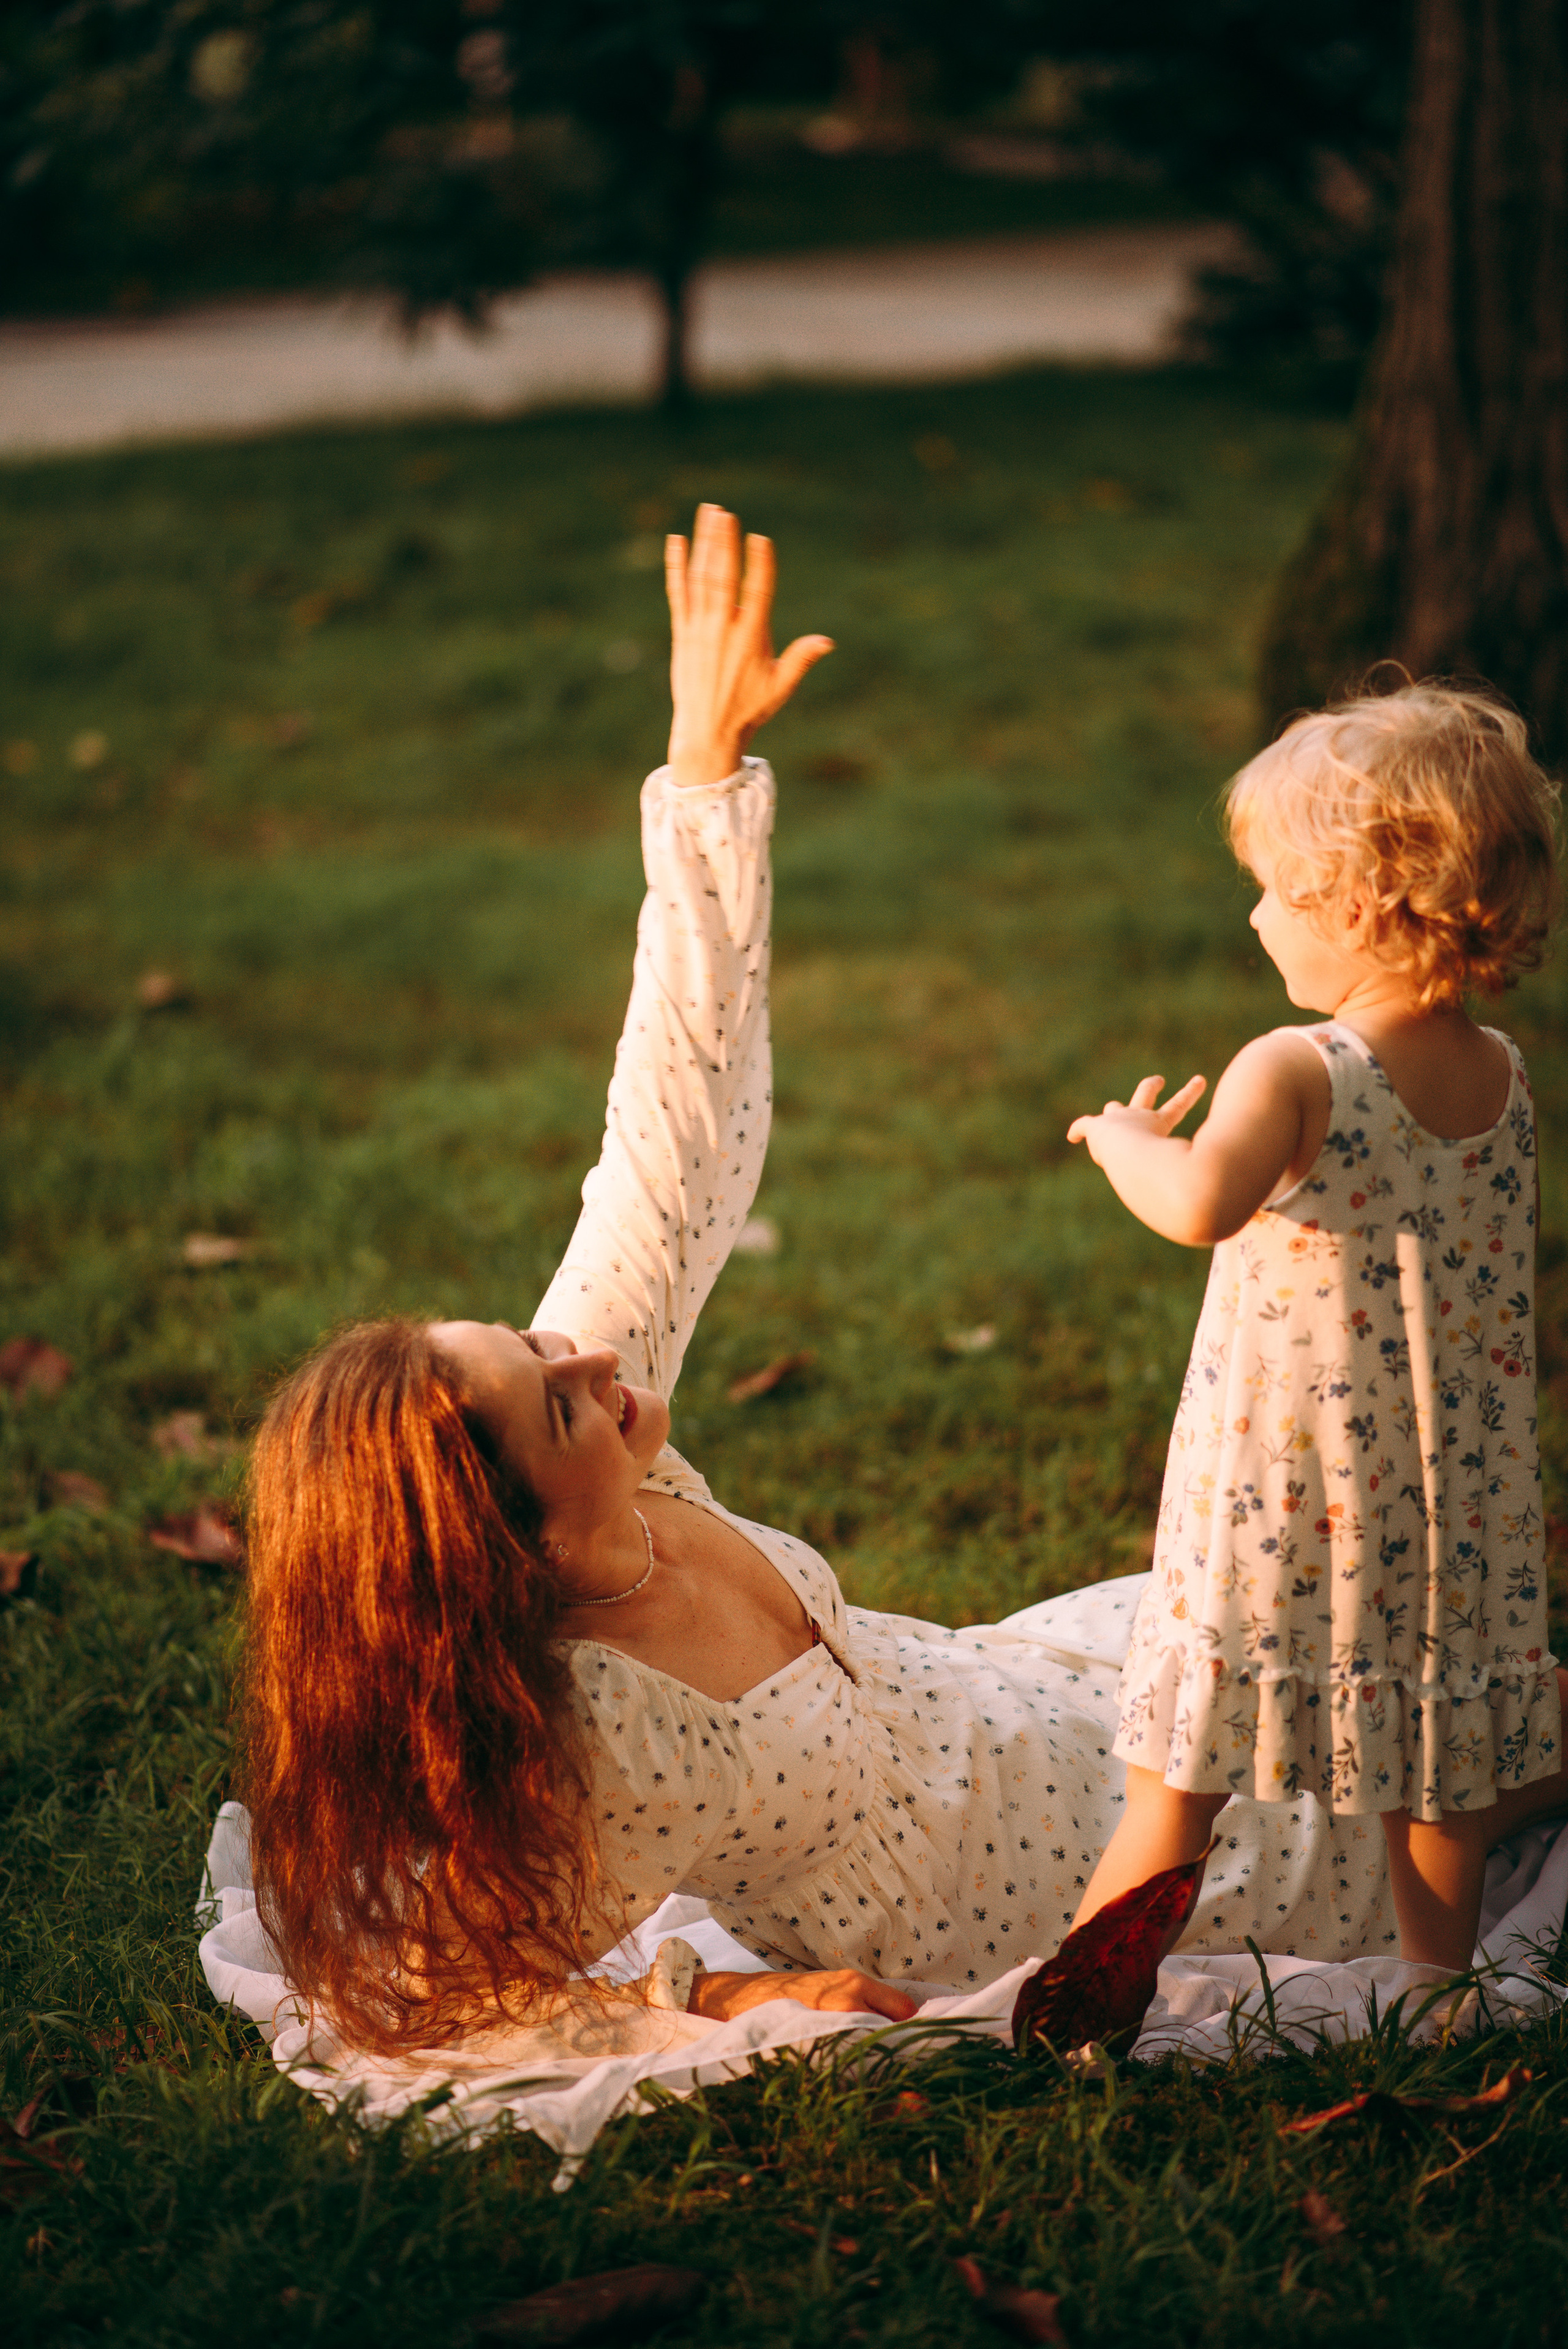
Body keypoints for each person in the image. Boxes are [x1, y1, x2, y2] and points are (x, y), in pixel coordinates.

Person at [242, 523, 1568, 2060]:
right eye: (555, 1400)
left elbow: (673, 1134)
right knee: (1459, 1749)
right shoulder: (603, 1742)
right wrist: (716, 1989)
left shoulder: (622, 1429)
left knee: (1442, 1668)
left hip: (1038, 1708)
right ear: (514, 1552)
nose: (587, 1348)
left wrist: (699, 778)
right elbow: (426, 1996)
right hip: (1076, 1891)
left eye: (535, 1334)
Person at [1066, 684, 1564, 1974]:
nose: (1250, 914)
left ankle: (1075, 2003)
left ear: (1356, 907)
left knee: (1176, 1778)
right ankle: (1434, 1987)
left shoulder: (1295, 1067)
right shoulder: (1500, 1074)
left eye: (1273, 889)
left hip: (1286, 1493)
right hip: (1447, 1501)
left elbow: (1195, 1205)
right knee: (1434, 1765)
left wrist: (1124, 1141)